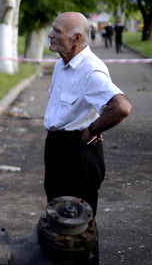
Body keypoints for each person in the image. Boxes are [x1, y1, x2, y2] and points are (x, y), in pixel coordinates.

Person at [44, 12, 132, 214]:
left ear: (76, 38)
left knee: (79, 223)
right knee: (57, 216)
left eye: (57, 31)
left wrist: (92, 129)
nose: (50, 35)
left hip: (78, 152)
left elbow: (121, 107)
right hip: (57, 147)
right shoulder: (61, 64)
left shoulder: (91, 70)